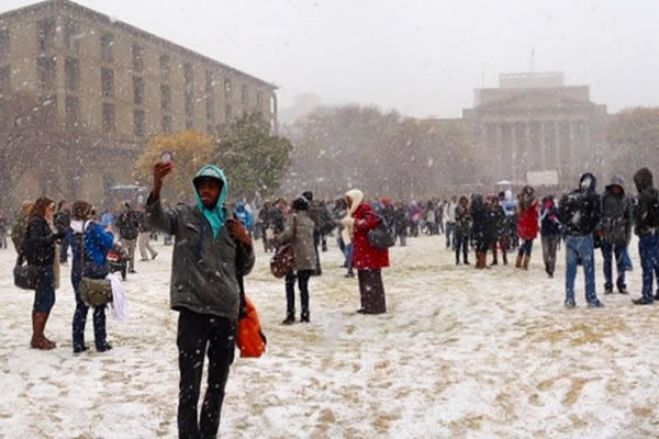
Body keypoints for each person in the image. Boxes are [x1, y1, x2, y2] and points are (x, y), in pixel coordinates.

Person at [147, 162, 254, 437]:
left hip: (225, 312)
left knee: (217, 384)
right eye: (202, 185)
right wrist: (157, 187)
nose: (206, 190)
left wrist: (246, 242)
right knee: (189, 385)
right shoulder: (185, 215)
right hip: (193, 311)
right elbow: (156, 221)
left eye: (212, 185)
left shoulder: (232, 223)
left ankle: (208, 433)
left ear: (221, 189)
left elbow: (244, 267)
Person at [67, 201, 115, 353]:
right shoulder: (93, 227)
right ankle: (100, 341)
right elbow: (108, 243)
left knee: (81, 305)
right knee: (99, 305)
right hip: (95, 268)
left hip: (77, 270)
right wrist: (109, 232)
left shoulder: (71, 229)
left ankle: (77, 341)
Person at [23, 197, 64, 349]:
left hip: (43, 264)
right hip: (42, 266)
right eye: (50, 208)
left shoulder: (40, 221)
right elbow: (36, 242)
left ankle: (38, 335)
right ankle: (37, 336)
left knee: (42, 300)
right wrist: (53, 237)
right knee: (46, 300)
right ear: (43, 208)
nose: (51, 211)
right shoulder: (37, 222)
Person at [559, 173, 604, 308]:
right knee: (588, 269)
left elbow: (561, 214)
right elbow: (597, 216)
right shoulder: (593, 198)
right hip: (585, 236)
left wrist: (568, 228)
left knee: (570, 270)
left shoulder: (571, 197)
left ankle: (569, 298)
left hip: (571, 236)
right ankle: (591, 297)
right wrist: (589, 228)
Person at [271, 197, 317, 324]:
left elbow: (288, 234)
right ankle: (305, 313)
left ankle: (290, 314)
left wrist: (276, 238)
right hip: (308, 257)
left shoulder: (293, 218)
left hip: (295, 257)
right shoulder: (309, 221)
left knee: (290, 285)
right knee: (304, 287)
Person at [346, 189, 389, 314]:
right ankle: (368, 305)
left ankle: (374, 306)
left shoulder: (364, 209)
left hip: (369, 252)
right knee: (365, 280)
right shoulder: (355, 211)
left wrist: (354, 223)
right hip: (363, 252)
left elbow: (369, 223)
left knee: (371, 281)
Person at [598, 176, 633, 295]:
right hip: (607, 234)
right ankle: (608, 284)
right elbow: (599, 214)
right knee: (607, 261)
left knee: (621, 262)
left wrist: (628, 235)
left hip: (620, 235)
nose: (616, 189)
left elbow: (629, 218)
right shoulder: (604, 198)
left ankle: (621, 283)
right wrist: (600, 229)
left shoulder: (626, 200)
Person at [631, 168, 659, 305]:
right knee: (657, 263)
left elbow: (641, 216)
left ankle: (647, 294)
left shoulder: (643, 197)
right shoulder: (656, 194)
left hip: (646, 234)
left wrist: (639, 227)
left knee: (647, 265)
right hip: (657, 232)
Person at [516, 186, 539, 270]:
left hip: (523, 224)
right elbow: (536, 213)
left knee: (524, 243)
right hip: (531, 224)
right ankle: (525, 264)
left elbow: (518, 213)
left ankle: (519, 261)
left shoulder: (520, 200)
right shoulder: (534, 201)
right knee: (529, 244)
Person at [540, 195, 561, 278]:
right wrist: (545, 212)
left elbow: (560, 221)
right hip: (545, 234)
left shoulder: (556, 210)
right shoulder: (542, 210)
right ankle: (547, 265)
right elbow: (540, 219)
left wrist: (555, 219)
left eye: (550, 202)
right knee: (545, 253)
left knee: (552, 253)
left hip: (554, 233)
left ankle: (551, 271)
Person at [115, 202, 140, 273]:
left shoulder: (134, 215)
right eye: (126, 208)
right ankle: (123, 267)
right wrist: (123, 220)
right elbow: (118, 224)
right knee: (123, 254)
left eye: (128, 208)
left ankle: (131, 268)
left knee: (131, 254)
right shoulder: (122, 216)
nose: (127, 209)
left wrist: (135, 234)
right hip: (124, 236)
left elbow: (137, 224)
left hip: (132, 236)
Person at [454, 196, 471, 265]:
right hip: (459, 228)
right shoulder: (457, 208)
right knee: (458, 245)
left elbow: (469, 217)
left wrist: (467, 217)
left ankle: (465, 259)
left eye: (465, 202)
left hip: (466, 228)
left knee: (465, 245)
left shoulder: (468, 209)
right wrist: (463, 215)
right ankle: (457, 260)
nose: (464, 203)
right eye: (463, 202)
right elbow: (457, 217)